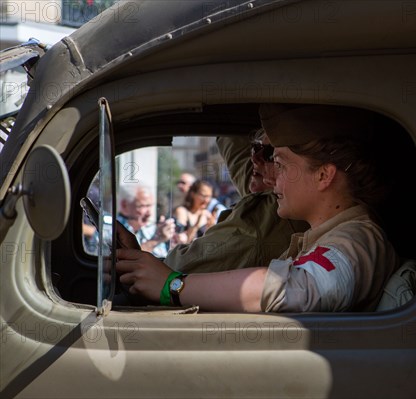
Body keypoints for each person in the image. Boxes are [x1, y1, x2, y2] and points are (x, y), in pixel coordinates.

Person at [115, 104, 401, 312]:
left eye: (280, 164)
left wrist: (174, 285)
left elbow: (298, 289)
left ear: (324, 175)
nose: (271, 175)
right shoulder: (334, 232)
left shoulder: (357, 239)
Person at [164, 130, 309, 273]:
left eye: (271, 154)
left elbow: (179, 265)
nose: (255, 158)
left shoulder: (262, 217)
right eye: (256, 147)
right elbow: (237, 155)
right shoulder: (264, 187)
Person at [117, 183, 176, 258]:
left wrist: (174, 243)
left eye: (150, 205)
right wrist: (156, 240)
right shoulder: (110, 229)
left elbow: (162, 259)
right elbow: (128, 259)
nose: (149, 213)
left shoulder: (151, 229)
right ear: (124, 205)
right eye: (143, 206)